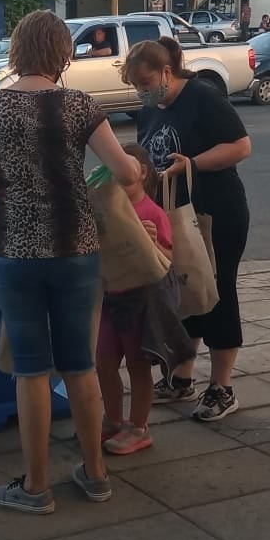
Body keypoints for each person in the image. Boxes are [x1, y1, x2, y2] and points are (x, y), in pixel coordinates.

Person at [0, 9, 141, 515]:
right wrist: (133, 163)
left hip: (15, 253)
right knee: (81, 366)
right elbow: (124, 172)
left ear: (18, 50)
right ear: (62, 52)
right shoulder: (79, 105)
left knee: (31, 371)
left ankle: (36, 487)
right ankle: (95, 474)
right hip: (76, 252)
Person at [121, 37, 252, 422]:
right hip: (174, 215)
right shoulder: (152, 110)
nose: (142, 92)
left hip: (215, 213)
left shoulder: (202, 96)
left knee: (217, 293)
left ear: (166, 71)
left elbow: (241, 146)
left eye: (146, 83)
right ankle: (182, 377)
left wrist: (191, 163)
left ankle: (222, 387)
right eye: (136, 86)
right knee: (184, 292)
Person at [96, 143, 193, 456]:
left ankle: (138, 427)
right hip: (110, 299)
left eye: (128, 166)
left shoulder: (152, 212)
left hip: (141, 302)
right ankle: (113, 418)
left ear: (143, 173)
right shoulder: (106, 209)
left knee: (139, 368)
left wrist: (152, 242)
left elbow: (167, 260)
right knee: (104, 363)